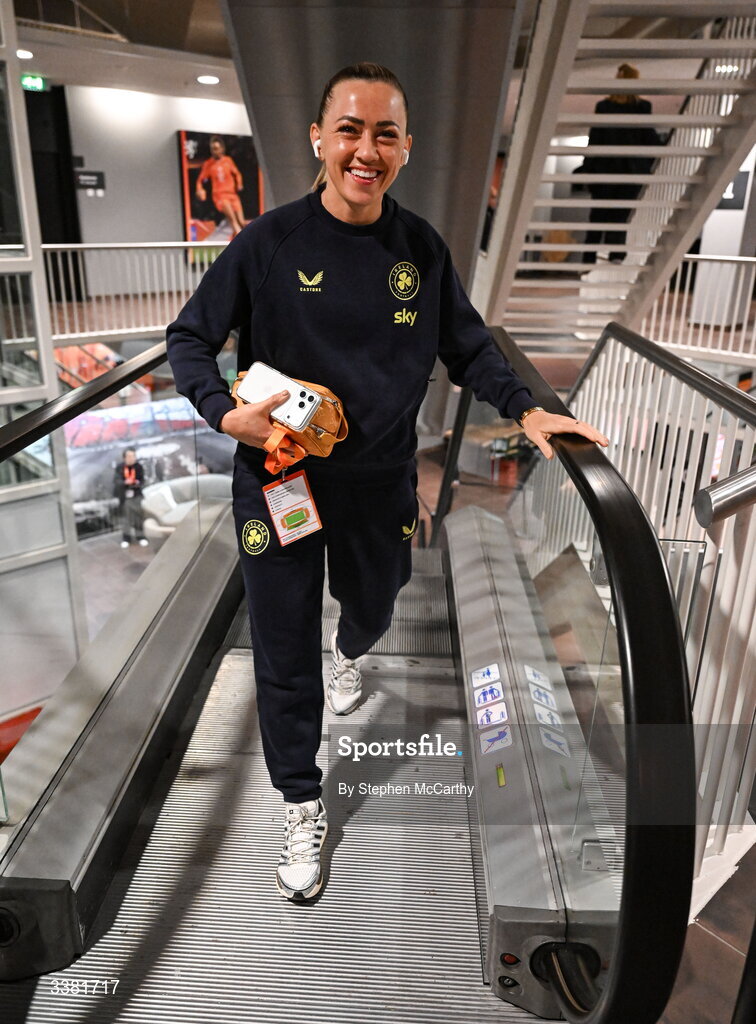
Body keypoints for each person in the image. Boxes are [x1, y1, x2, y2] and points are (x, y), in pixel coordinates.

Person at [166, 63, 609, 902]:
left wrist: (527, 410)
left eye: (385, 134)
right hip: (279, 482)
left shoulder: (420, 250)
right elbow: (189, 338)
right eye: (350, 130)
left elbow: (470, 346)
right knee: (280, 643)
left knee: (373, 605)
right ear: (319, 140)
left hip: (377, 483)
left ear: (404, 147)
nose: (365, 150)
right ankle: (301, 797)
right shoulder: (268, 244)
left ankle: (350, 649)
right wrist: (226, 414)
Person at [578, 63, 662, 263]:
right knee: (620, 214)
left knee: (598, 215)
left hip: (605, 169)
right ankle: (616, 253)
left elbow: (595, 139)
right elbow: (648, 136)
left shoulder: (604, 106)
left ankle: (588, 258)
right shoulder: (642, 107)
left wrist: (587, 169)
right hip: (631, 170)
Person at [196, 135, 246, 238]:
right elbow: (200, 180)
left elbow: (237, 174)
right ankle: (244, 244)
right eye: (213, 149)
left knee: (241, 222)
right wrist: (200, 190)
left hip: (232, 195)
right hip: (220, 196)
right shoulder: (208, 164)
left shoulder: (228, 160)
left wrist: (239, 183)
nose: (215, 152)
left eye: (217, 149)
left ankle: (237, 243)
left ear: (222, 149)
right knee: (234, 222)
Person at [114, 447, 148, 548]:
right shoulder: (120, 467)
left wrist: (137, 483)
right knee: (126, 518)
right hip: (124, 496)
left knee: (138, 517)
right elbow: (116, 481)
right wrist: (125, 482)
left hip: (136, 495)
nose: (132, 458)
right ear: (124, 458)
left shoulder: (138, 467)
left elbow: (142, 480)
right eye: (129, 456)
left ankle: (141, 537)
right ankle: (126, 538)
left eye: (133, 456)